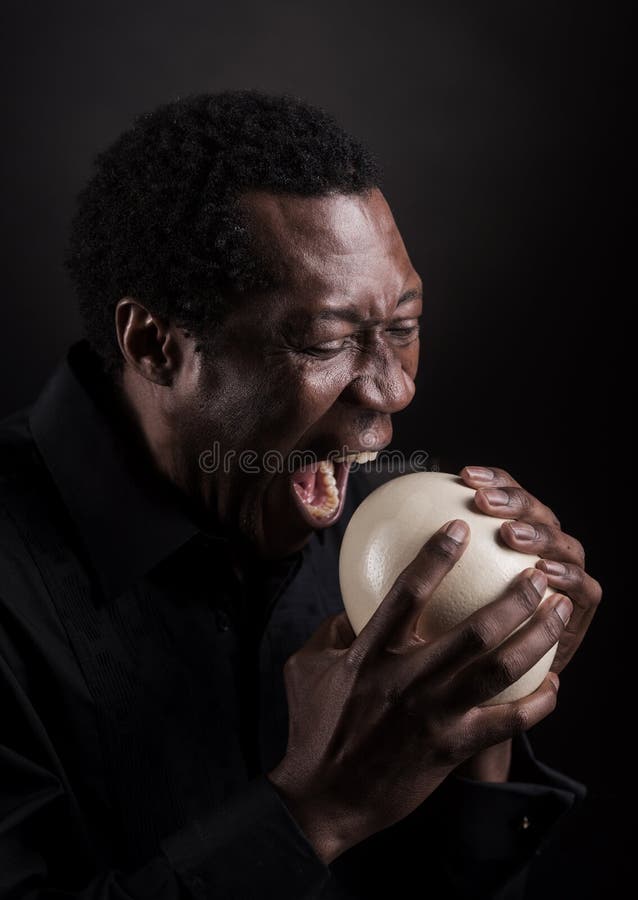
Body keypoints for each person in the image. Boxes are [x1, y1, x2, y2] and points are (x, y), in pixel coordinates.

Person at [0, 91, 600, 899]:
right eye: (326, 342)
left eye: (404, 325)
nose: (392, 391)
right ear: (154, 343)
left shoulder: (378, 542)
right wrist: (319, 811)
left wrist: (476, 720)